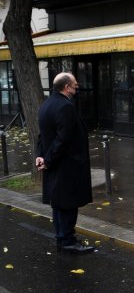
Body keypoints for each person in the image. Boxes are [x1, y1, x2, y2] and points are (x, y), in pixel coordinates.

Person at [36, 72, 95, 254]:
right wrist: (48, 160)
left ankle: (62, 238)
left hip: (55, 164)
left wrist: (40, 156)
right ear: (66, 87)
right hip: (66, 166)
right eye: (74, 83)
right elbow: (62, 139)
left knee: (58, 204)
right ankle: (68, 240)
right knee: (68, 204)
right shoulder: (65, 107)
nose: (77, 86)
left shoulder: (46, 104)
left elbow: (43, 135)